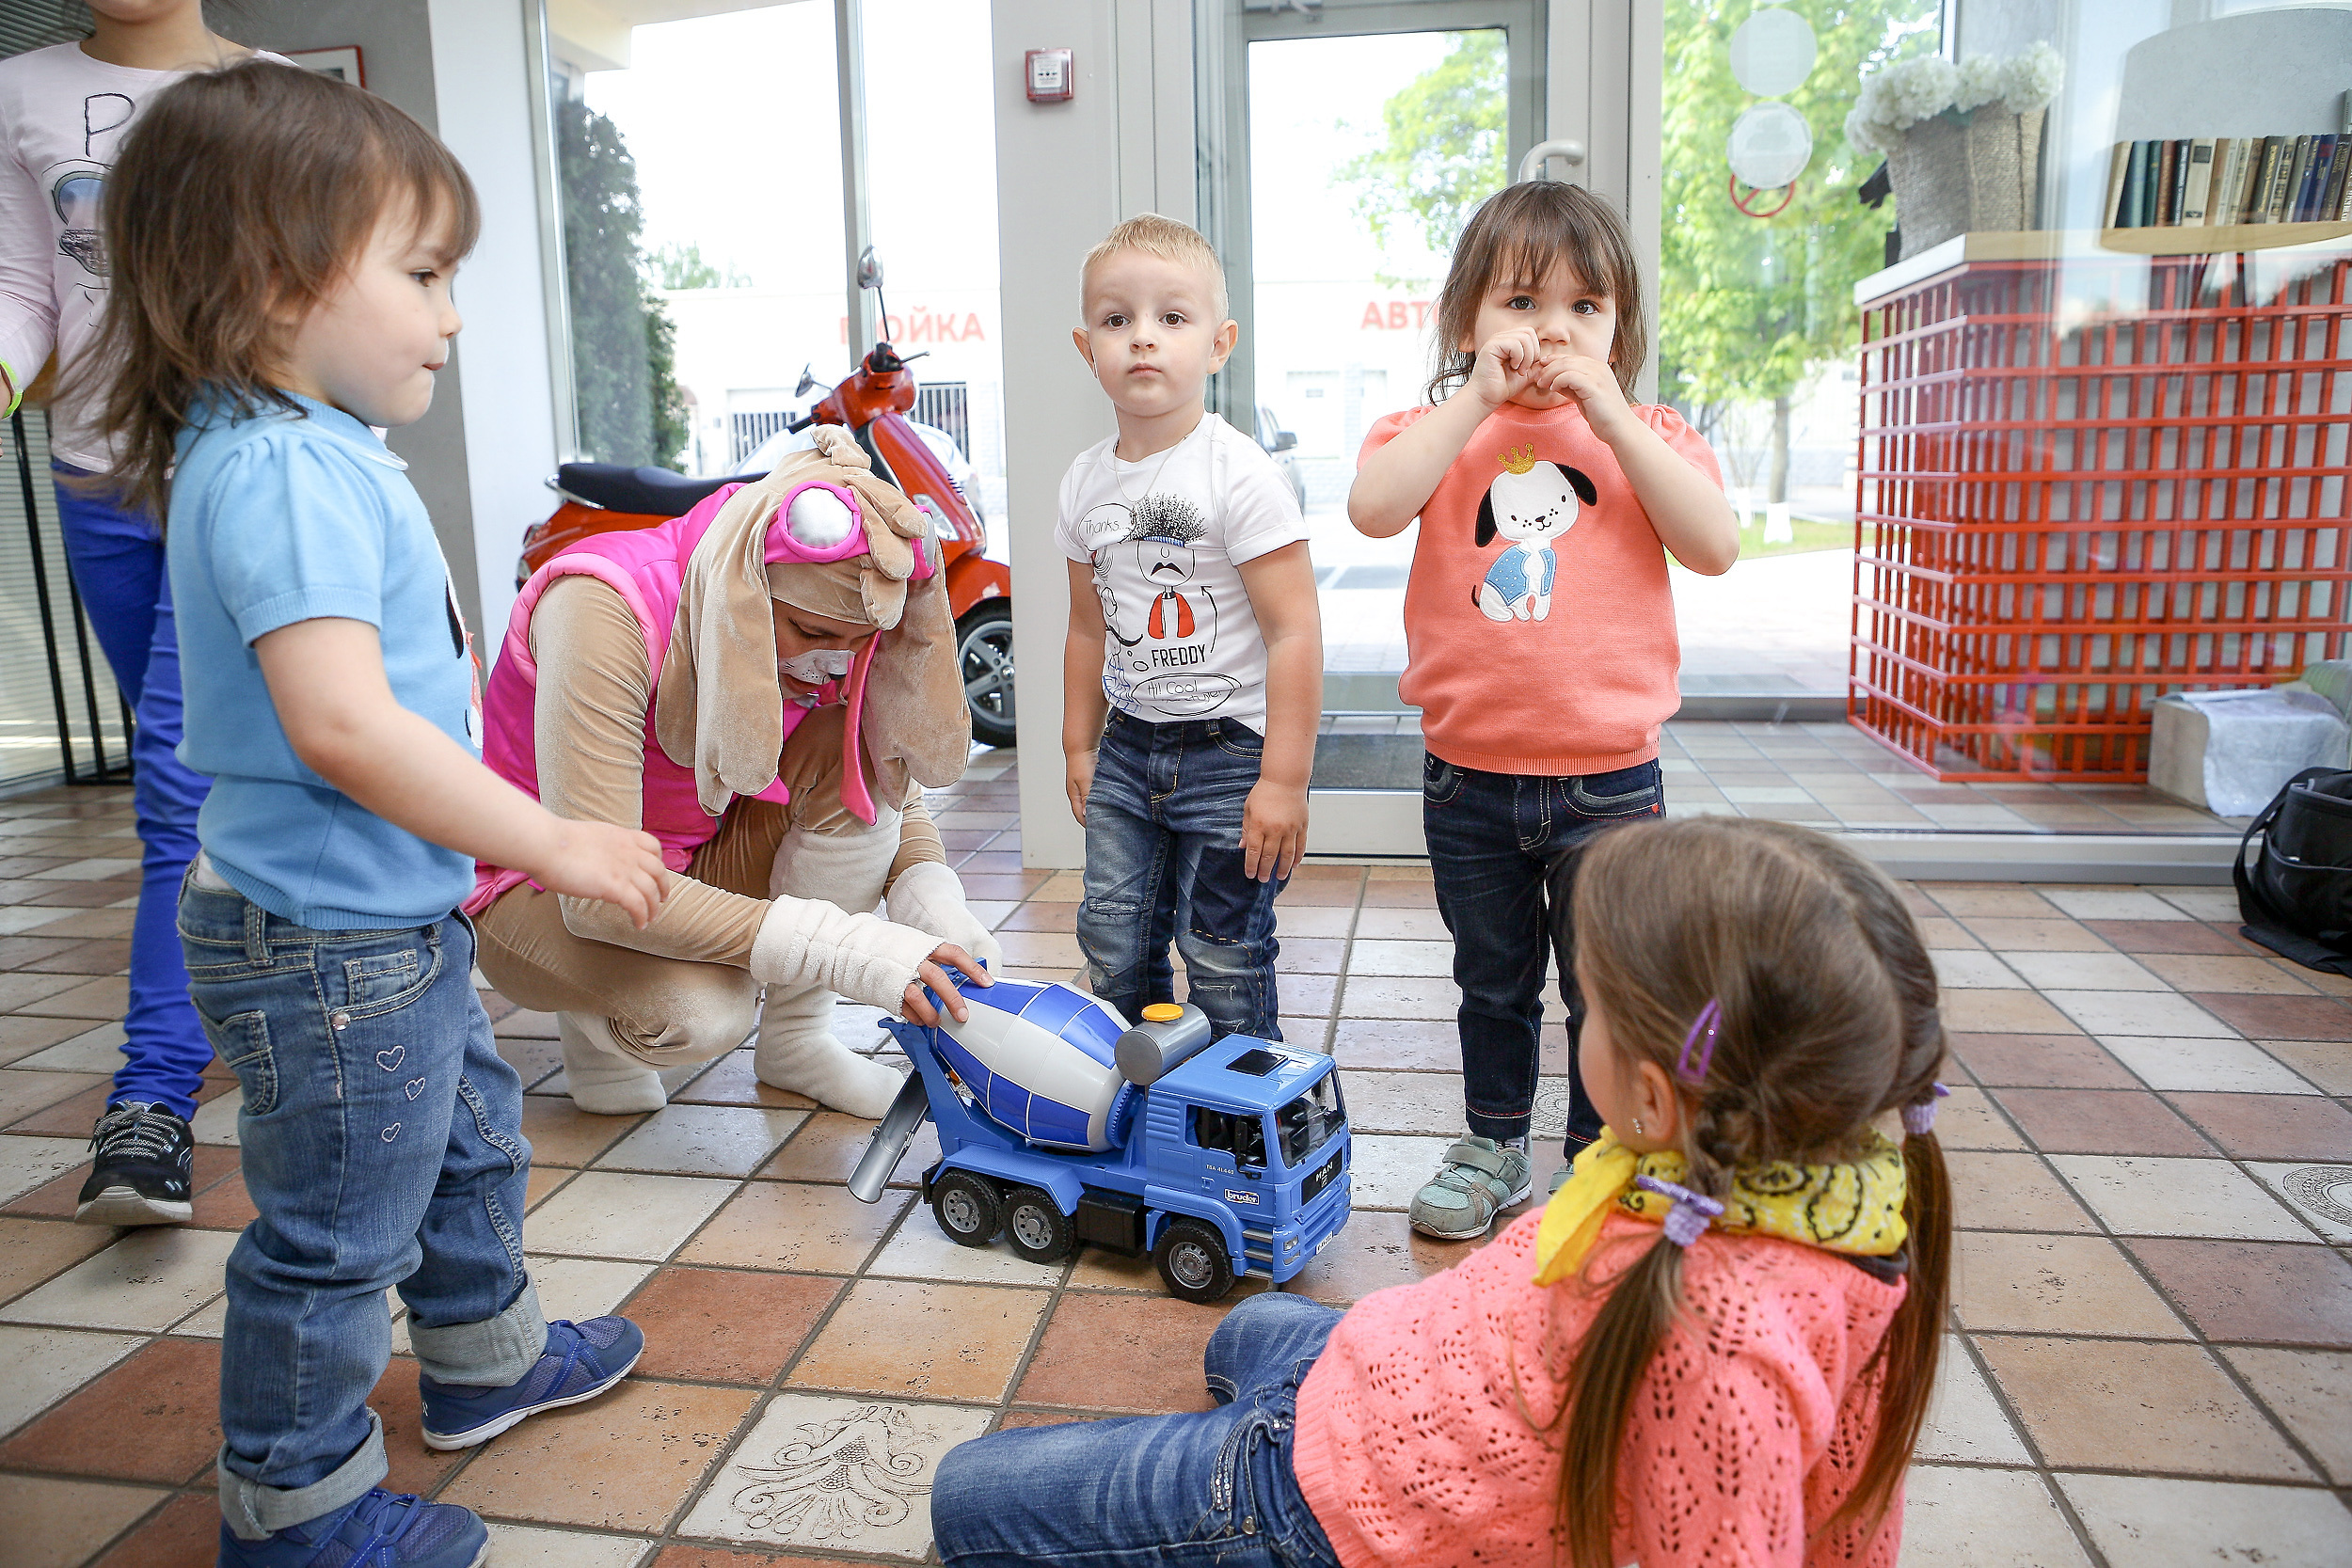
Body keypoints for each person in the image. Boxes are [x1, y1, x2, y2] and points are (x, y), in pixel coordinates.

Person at [97, 62, 979, 1568]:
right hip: (325, 937)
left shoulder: (309, 456)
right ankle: (297, 1508)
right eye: (426, 272)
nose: (453, 314)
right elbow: (341, 721)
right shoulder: (291, 470)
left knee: (469, 1139)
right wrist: (549, 837)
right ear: (270, 277)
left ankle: (486, 1356)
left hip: (384, 914)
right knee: (331, 1235)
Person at [930, 816, 1955, 1568]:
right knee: (1240, 1337)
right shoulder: (1812, 1174)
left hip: (1333, 1502)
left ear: (1649, 1091)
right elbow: (1856, 1507)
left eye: (1588, 1004)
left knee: (962, 1501)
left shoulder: (1716, 1349)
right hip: (1399, 1369)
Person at [1347, 180, 1740, 1240]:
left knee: (1607, 993)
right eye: (1520, 301)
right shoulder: (1432, 430)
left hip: (1611, 779)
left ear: (1620, 329)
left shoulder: (1645, 432)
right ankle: (1492, 1144)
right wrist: (1472, 400)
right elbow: (1372, 507)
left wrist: (1608, 414)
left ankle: (1599, 1158)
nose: (1551, 329)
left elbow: (1713, 544)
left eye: (1584, 307)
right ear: (1467, 317)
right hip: (1466, 779)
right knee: (1491, 981)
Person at [468, 423, 1003, 1118]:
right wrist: (848, 950)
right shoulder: (601, 609)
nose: (835, 665)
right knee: (701, 1010)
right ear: (743, 594)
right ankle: (595, 1020)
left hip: (686, 854)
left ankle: (796, 1040)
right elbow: (595, 885)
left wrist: (934, 907)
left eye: (857, 645)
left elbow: (883, 782)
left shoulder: (826, 610)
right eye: (812, 636)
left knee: (850, 739)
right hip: (543, 887)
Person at [0, 0, 291, 1227]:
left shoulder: (274, 91)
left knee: (175, 788)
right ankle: (274, 992)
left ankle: (149, 1104)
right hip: (98, 486)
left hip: (229, 476)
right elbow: (26, 284)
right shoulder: (22, 87)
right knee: (220, 785)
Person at [1059, 214, 1321, 1040]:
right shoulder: (1083, 484)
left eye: (1172, 318)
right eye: (1117, 319)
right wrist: (1078, 744)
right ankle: (1140, 1098)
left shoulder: (1239, 473)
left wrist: (1283, 780)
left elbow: (1296, 634)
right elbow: (1085, 631)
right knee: (1112, 935)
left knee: (1221, 949)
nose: (1142, 339)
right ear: (1085, 345)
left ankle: (1235, 1117)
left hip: (1230, 755)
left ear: (1218, 343)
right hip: (1130, 750)